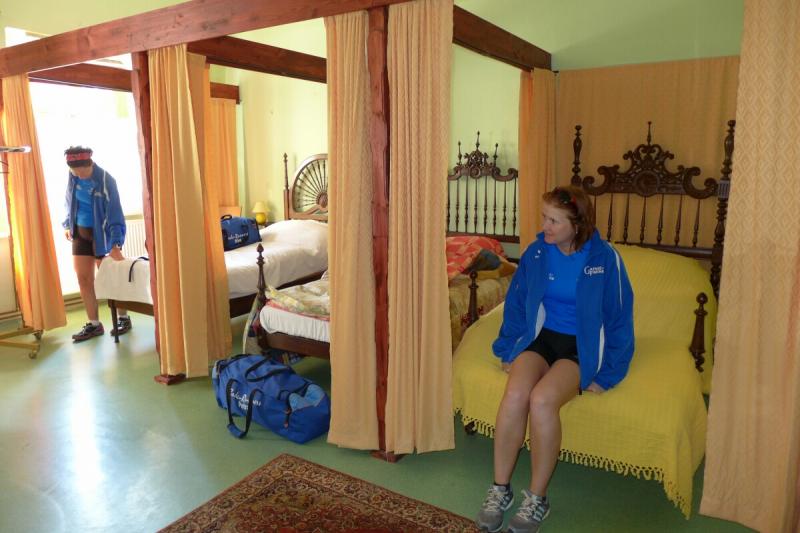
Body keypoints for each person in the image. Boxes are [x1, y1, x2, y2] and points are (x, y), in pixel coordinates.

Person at [476, 186, 634, 533]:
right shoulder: (536, 253)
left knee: (542, 400)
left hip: (581, 346)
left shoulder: (605, 259)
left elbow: (620, 318)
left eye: (553, 221)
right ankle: (500, 488)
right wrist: (508, 347)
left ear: (577, 225)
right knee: (515, 394)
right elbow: (517, 303)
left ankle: (537, 498)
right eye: (544, 217)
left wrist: (607, 374)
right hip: (543, 337)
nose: (544, 226)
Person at [62, 146, 132, 342]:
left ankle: (123, 318)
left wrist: (116, 244)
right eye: (74, 171)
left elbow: (115, 214)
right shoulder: (73, 176)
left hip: (103, 235)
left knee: (111, 278)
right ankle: (94, 324)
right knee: (83, 279)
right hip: (80, 233)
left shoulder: (106, 181)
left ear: (90, 164)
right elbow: (68, 200)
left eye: (81, 171)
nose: (78, 175)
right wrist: (67, 224)